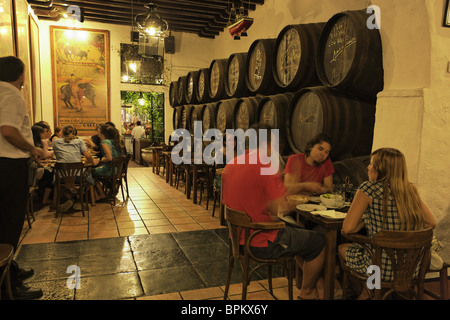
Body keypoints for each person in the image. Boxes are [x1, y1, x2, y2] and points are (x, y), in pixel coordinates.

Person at [222, 123, 326, 300]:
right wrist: (301, 193)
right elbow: (281, 207)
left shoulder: (232, 164)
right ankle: (308, 292)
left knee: (301, 235)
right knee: (318, 242)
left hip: (237, 239)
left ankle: (317, 285)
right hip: (260, 241)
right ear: (266, 144)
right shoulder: (266, 165)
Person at [338, 148, 437, 300]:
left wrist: (365, 218)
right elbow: (431, 222)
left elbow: (347, 228)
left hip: (378, 270)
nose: (368, 168)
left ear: (380, 169)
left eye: (371, 164)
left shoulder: (368, 189)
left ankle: (368, 293)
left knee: (342, 248)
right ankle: (374, 292)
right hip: (410, 268)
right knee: (374, 255)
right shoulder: (410, 191)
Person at [0, 55, 45, 299]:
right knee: (9, 224)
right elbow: (8, 130)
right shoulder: (11, 93)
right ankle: (10, 287)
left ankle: (11, 271)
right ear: (20, 75)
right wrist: (32, 149)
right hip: (8, 166)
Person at [52, 125, 99, 212]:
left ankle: (69, 200)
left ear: (62, 133)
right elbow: (87, 155)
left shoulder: (55, 142)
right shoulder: (79, 141)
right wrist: (93, 162)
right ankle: (78, 199)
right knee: (90, 180)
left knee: (58, 183)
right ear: (74, 133)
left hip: (61, 176)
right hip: (78, 175)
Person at [91, 124, 123, 200]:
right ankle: (106, 191)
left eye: (98, 131)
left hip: (110, 170)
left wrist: (101, 160)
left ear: (102, 133)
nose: (97, 133)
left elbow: (109, 158)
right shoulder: (115, 141)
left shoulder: (104, 142)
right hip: (118, 169)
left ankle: (101, 194)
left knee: (89, 172)